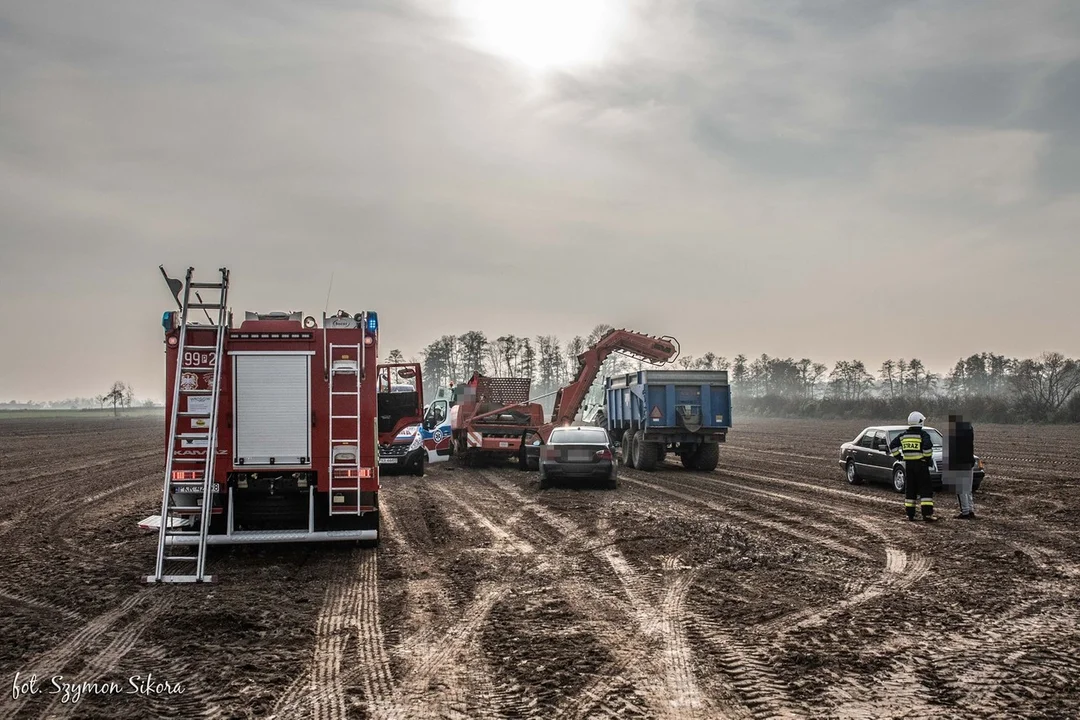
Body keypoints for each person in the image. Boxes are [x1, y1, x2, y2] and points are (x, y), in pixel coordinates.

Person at [889, 411, 936, 521]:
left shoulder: (903, 435)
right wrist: (926, 458)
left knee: (910, 490)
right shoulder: (923, 435)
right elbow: (927, 448)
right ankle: (927, 515)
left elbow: (893, 446)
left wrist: (899, 457)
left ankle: (910, 514)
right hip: (921, 466)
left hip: (908, 466)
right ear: (920, 422)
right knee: (925, 490)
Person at [945, 414, 977, 519]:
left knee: (961, 490)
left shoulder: (954, 436)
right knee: (968, 489)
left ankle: (965, 512)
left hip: (959, 464)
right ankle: (971, 510)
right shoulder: (969, 434)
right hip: (969, 463)